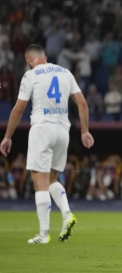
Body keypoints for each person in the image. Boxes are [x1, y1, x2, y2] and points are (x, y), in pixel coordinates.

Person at [0, 44, 94, 244]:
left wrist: (8, 136)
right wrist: (85, 131)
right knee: (51, 180)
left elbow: (18, 109)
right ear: (45, 57)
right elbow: (83, 104)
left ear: (30, 60)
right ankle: (67, 213)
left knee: (39, 181)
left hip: (42, 129)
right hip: (63, 131)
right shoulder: (65, 72)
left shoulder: (31, 75)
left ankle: (44, 234)